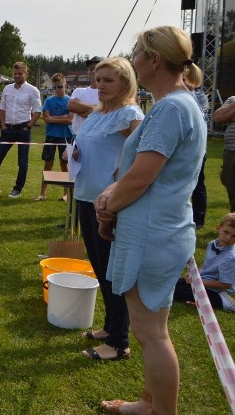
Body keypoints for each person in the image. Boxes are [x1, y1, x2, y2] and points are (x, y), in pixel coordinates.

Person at [96, 26, 206, 415]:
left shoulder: (171, 108)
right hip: (158, 230)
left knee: (151, 333)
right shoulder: (179, 104)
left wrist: (108, 206)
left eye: (137, 53)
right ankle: (149, 402)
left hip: (151, 234)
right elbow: (139, 174)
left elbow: (142, 177)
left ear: (154, 60)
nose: (134, 61)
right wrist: (112, 197)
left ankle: (162, 412)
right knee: (151, 331)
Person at [71, 57, 143, 362]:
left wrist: (118, 185)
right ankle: (110, 326)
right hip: (86, 196)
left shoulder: (130, 115)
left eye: (108, 80)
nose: (100, 85)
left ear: (125, 83)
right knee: (101, 269)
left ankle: (119, 341)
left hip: (109, 205)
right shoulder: (99, 113)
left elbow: (143, 156)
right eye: (98, 79)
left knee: (113, 272)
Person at [0, 61, 42, 198]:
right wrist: (3, 126)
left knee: (22, 162)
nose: (17, 76)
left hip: (23, 129)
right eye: (15, 73)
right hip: (7, 129)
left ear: (26, 74)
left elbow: (37, 111)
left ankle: (17, 189)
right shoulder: (7, 89)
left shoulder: (32, 90)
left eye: (20, 73)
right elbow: (2, 108)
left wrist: (28, 127)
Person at [172, 213, 235, 311]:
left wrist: (198, 281)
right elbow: (208, 266)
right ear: (218, 228)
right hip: (203, 280)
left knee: (178, 292)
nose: (228, 238)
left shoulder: (231, 257)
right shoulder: (212, 244)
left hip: (217, 290)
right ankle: (202, 299)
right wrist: (194, 274)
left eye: (234, 236)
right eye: (226, 232)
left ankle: (220, 301)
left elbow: (226, 285)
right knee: (174, 283)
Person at [35, 73, 73, 201]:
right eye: (54, 88)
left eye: (59, 87)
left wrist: (54, 118)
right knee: (48, 165)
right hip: (51, 136)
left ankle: (66, 193)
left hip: (66, 136)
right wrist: (63, 117)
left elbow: (70, 120)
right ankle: (42, 193)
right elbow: (46, 119)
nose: (56, 90)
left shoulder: (71, 101)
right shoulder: (48, 100)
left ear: (65, 85)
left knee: (65, 166)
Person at [184, 69, 209, 229]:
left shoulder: (200, 96)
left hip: (197, 148)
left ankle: (199, 219)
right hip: (181, 149)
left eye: (185, 78)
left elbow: (198, 115)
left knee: (198, 183)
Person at [68, 56, 102, 135]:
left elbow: (107, 113)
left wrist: (82, 110)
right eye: (91, 69)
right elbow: (71, 105)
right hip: (78, 138)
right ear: (88, 72)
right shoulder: (79, 91)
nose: (94, 71)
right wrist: (99, 108)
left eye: (97, 68)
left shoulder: (108, 93)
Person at [216, 92, 235, 212]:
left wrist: (230, 116)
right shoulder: (232, 99)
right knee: (231, 186)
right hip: (231, 150)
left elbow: (225, 117)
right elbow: (218, 117)